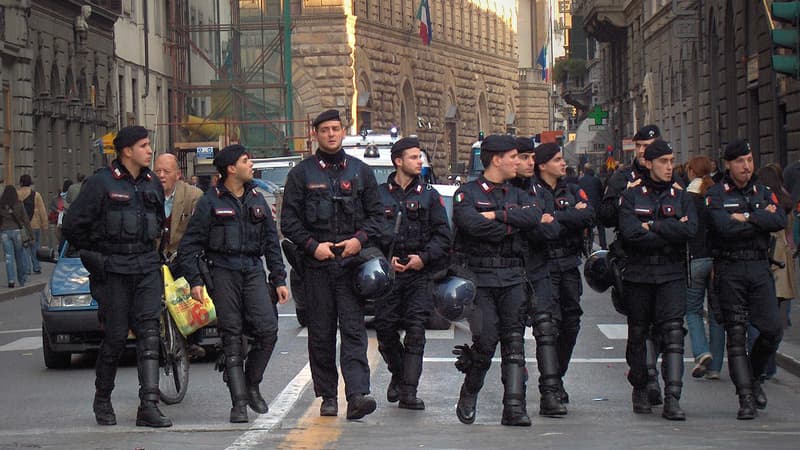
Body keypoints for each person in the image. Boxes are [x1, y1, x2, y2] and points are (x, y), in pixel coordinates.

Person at [62, 125, 172, 427]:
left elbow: (159, 224)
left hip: (146, 267)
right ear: (127, 151)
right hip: (114, 271)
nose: (150, 150)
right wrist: (98, 258)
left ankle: (148, 405)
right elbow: (73, 227)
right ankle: (102, 398)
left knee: (150, 334)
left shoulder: (152, 184)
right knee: (115, 337)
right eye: (144, 145)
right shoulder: (100, 183)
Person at [280, 109, 384, 420]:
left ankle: (357, 395)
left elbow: (378, 217)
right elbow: (289, 221)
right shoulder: (301, 175)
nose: (330, 134)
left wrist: (359, 240)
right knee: (321, 335)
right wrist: (313, 247)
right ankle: (327, 395)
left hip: (351, 265)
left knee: (353, 332)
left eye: (335, 128)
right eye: (324, 129)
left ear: (343, 131)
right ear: (315, 134)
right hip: (317, 267)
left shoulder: (360, 172)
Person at [179, 144, 289, 423]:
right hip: (223, 271)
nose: (250, 164)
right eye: (245, 160)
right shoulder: (210, 202)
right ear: (230, 168)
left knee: (267, 330)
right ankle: (238, 404)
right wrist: (195, 281)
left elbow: (271, 244)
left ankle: (251, 383)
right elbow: (190, 246)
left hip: (252, 270)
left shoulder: (256, 199)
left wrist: (278, 279)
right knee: (232, 334)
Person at [451, 134, 542, 427]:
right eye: (514, 156)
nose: (520, 162)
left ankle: (514, 407)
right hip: (481, 280)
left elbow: (533, 217)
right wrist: (509, 223)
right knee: (486, 341)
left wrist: (495, 215)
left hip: (514, 276)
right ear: (496, 159)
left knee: (515, 342)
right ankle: (470, 391)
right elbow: (471, 225)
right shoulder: (467, 193)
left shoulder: (520, 193)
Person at [705, 139, 787, 420]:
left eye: (750, 160)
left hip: (758, 267)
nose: (746, 166)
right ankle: (746, 397)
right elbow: (723, 228)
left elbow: (779, 221)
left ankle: (753, 377)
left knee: (772, 329)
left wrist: (746, 218)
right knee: (736, 335)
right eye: (740, 161)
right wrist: (757, 219)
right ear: (729, 164)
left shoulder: (763, 191)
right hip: (730, 268)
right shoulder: (716, 194)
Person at [618, 140, 697, 420]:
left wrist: (653, 226)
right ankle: (640, 387)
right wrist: (667, 231)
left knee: (673, 334)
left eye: (671, 160)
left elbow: (690, 230)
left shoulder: (681, 195)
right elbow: (630, 233)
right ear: (649, 163)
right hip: (639, 275)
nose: (669, 166)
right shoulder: (632, 196)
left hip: (671, 274)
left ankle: (673, 397)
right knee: (638, 335)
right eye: (662, 161)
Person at [375, 137, 452, 410]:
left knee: (416, 331)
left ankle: (409, 391)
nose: (419, 162)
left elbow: (444, 236)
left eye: (420, 157)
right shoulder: (379, 195)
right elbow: (370, 234)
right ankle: (398, 373)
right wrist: (385, 259)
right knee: (384, 329)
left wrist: (423, 258)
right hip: (390, 274)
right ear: (398, 161)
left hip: (419, 274)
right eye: (414, 157)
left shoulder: (429, 196)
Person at [597, 124, 667, 406]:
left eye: (647, 146)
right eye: (638, 146)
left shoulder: (670, 174)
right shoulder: (623, 176)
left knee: (663, 327)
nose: (641, 151)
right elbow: (605, 214)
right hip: (632, 260)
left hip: (665, 261)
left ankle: (653, 370)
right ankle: (643, 381)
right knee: (638, 327)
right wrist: (626, 194)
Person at [534, 143, 594, 411]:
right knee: (549, 325)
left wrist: (556, 218)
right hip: (545, 265)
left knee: (571, 323)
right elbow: (535, 222)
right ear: (543, 164)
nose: (563, 164)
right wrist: (571, 216)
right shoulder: (532, 190)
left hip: (569, 263)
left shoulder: (570, 187)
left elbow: (588, 215)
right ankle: (551, 385)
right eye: (557, 159)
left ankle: (557, 376)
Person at [511, 137, 565, 416]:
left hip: (539, 268)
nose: (530, 162)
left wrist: (526, 222)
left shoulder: (540, 192)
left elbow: (553, 230)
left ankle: (550, 394)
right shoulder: (503, 191)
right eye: (524, 157)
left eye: (532, 157)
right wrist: (534, 221)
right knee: (513, 337)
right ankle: (515, 398)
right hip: (509, 271)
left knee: (546, 331)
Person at [153, 153, 205, 360]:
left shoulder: (193, 196)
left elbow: (198, 233)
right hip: (155, 257)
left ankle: (193, 339)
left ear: (178, 174)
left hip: (182, 255)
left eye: (166, 171)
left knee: (191, 286)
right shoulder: (147, 194)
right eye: (157, 171)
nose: (161, 176)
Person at [750, 163, 796, 380]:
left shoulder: (762, 199)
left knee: (759, 316)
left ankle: (762, 364)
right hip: (783, 256)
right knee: (775, 313)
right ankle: (769, 365)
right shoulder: (786, 200)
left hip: (767, 257)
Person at [684, 156, 725, 380]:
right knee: (718, 315)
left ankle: (701, 352)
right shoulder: (716, 195)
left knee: (693, 310)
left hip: (695, 259)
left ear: (691, 171)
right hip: (717, 261)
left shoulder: (687, 198)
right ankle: (716, 367)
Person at [0, 185, 33, 288]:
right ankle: (21, 280)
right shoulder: (19, 203)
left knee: (9, 257)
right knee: (19, 256)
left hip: (5, 232)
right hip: (17, 231)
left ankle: (11, 280)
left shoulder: (1, 205)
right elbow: (25, 220)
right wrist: (31, 234)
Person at [17, 174, 48, 275]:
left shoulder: (17, 194)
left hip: (22, 226)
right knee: (35, 246)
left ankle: (26, 269)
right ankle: (37, 267)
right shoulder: (36, 195)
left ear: (21, 182)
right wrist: (45, 224)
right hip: (35, 224)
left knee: (24, 247)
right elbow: (42, 210)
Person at [579, 165, 606, 249]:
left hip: (585, 206)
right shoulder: (596, 180)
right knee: (600, 226)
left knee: (586, 225)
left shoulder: (581, 180)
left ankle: (586, 244)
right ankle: (603, 245)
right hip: (597, 206)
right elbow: (601, 193)